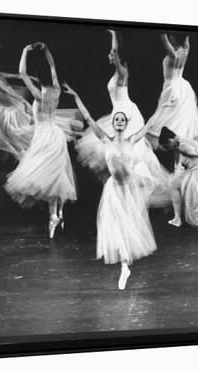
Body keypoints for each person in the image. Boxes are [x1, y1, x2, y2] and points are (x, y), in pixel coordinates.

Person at [64, 82, 160, 290]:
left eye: (121, 119)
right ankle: (125, 265)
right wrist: (75, 96)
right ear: (113, 123)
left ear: (125, 124)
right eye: (116, 119)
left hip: (129, 187)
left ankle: (126, 264)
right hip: (114, 189)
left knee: (129, 224)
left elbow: (150, 123)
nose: (118, 121)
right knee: (116, 225)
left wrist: (163, 106)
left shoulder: (132, 139)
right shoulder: (105, 140)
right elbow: (88, 117)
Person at [75, 31, 171, 208]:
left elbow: (116, 51)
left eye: (111, 54)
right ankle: (120, 195)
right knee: (115, 152)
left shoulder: (121, 72)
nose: (109, 56)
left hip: (125, 110)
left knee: (129, 152)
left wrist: (114, 34)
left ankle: (131, 196)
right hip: (120, 109)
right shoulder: (118, 74)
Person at [4, 43, 82, 239]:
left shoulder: (39, 95)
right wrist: (47, 50)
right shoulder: (56, 89)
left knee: (47, 177)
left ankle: (53, 216)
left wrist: (24, 51)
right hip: (56, 134)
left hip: (44, 136)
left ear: (37, 77)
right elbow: (54, 66)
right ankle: (59, 213)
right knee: (57, 174)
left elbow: (21, 73)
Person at [146, 34, 198, 148]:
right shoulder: (186, 50)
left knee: (168, 118)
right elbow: (186, 38)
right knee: (180, 119)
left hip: (172, 87)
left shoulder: (173, 54)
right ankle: (181, 148)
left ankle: (175, 147)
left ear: (173, 38)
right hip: (183, 87)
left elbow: (163, 38)